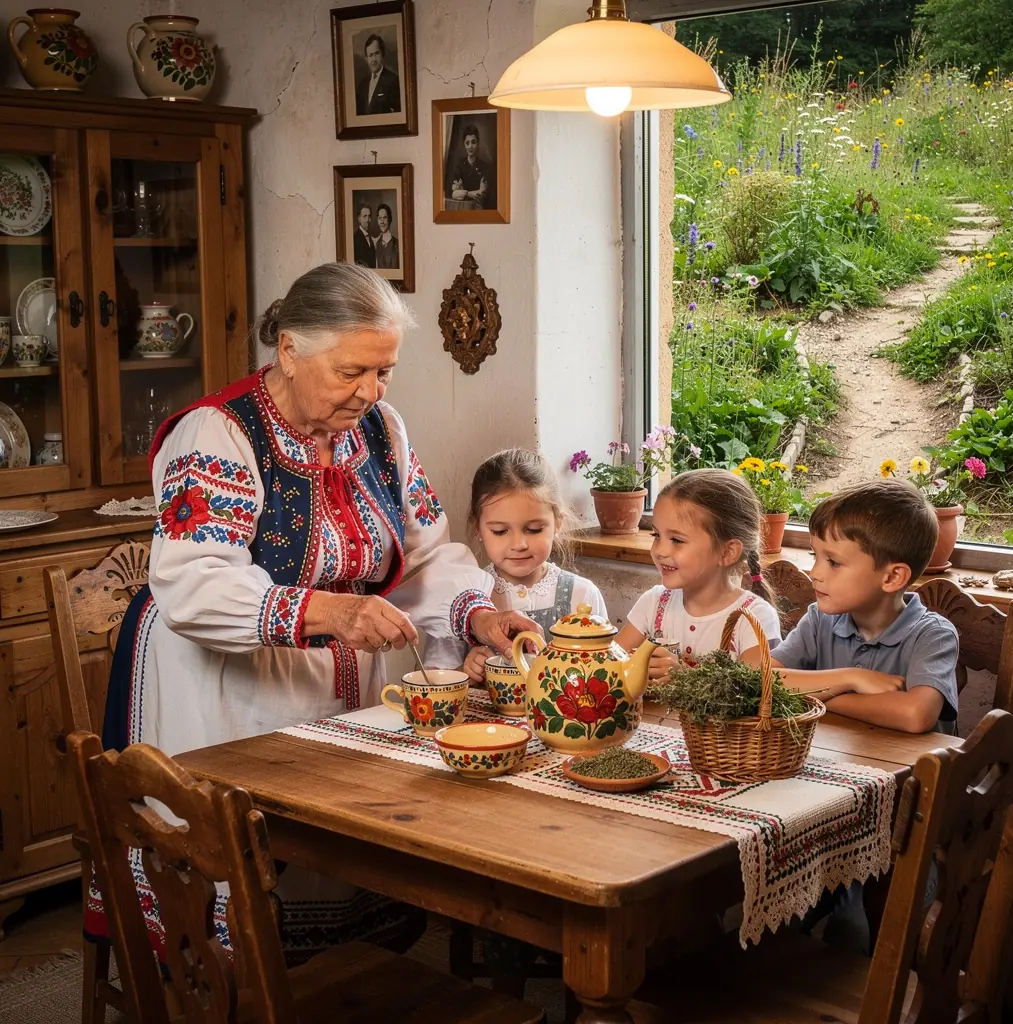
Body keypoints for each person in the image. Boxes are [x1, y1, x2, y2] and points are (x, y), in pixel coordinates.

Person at [95, 262, 538, 959]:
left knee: (343, 851)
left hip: (335, 675)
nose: (370, 390)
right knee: (243, 873)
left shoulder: (381, 431)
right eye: (351, 371)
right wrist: (330, 612)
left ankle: (336, 986)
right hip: (221, 683)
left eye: (384, 371)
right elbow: (195, 583)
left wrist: (478, 615)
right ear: (291, 350)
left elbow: (424, 555)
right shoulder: (216, 434)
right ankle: (231, 979)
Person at [768, 479, 959, 734]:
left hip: (914, 772)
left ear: (892, 578)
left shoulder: (933, 635)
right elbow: (762, 680)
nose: (814, 573)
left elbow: (916, 714)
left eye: (833, 562)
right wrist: (850, 678)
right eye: (816, 556)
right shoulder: (819, 620)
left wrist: (818, 697)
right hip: (838, 765)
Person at [616, 468, 781, 682]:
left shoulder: (754, 617)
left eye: (677, 540)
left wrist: (685, 676)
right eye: (656, 535)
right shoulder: (654, 603)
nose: (660, 550)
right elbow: (612, 665)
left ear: (727, 552)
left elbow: (752, 694)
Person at [459, 449, 608, 683]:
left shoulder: (583, 595)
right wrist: (466, 671)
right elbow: (433, 678)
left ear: (558, 522)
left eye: (534, 529)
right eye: (500, 531)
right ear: (477, 527)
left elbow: (605, 674)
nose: (519, 544)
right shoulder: (463, 596)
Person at [450, 123, 495, 210]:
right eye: (467, 143)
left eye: (473, 142)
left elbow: (481, 193)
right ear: (464, 145)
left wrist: (463, 193)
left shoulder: (485, 167)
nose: (470, 146)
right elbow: (454, 194)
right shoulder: (460, 165)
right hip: (463, 209)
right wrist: (472, 193)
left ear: (478, 143)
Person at [355, 33, 401, 115]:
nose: (373, 59)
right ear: (366, 58)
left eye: (376, 54)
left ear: (382, 54)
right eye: (370, 55)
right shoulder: (362, 86)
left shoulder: (393, 81)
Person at [374, 204, 399, 269]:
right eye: (380, 218)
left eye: (385, 218)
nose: (382, 222)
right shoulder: (377, 244)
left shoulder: (397, 244)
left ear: (390, 219)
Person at [352, 203, 376, 268]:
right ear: (359, 218)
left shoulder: (370, 238)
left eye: (369, 216)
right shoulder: (355, 239)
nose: (368, 220)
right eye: (364, 216)